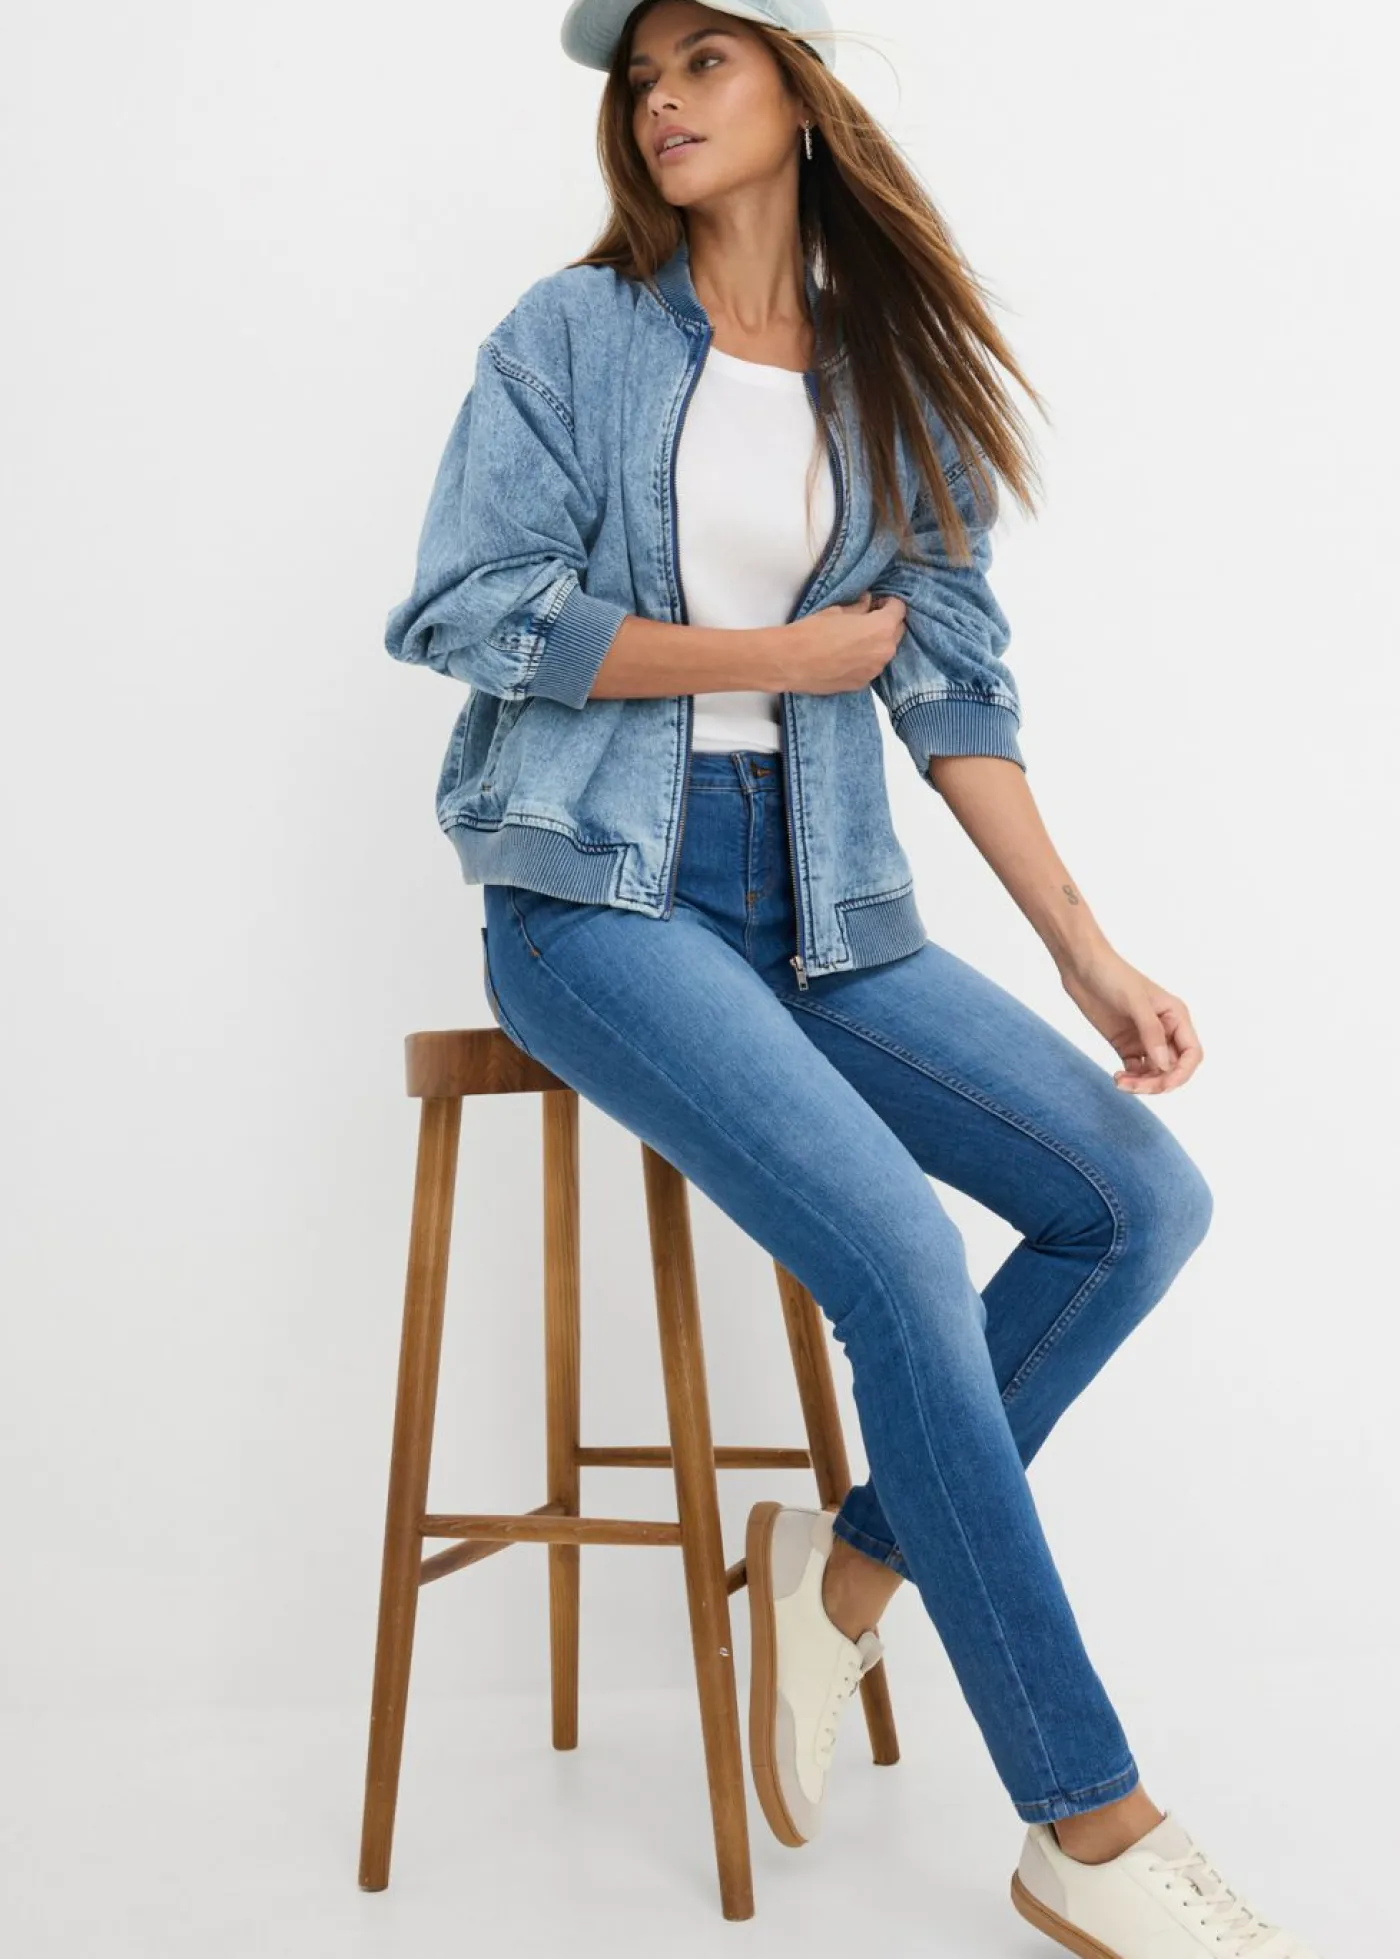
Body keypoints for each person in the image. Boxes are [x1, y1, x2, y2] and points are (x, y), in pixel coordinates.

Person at [385, 3, 1322, 1953]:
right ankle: (1086, 1822)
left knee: (1134, 1200)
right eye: (641, 75)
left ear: (801, 91)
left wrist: (1084, 949)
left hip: (821, 899)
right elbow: (467, 611)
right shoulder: (570, 337)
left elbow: (952, 681)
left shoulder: (884, 373)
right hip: (596, 896)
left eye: (704, 59)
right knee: (898, 1251)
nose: (661, 99)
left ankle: (846, 1565)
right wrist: (769, 662)